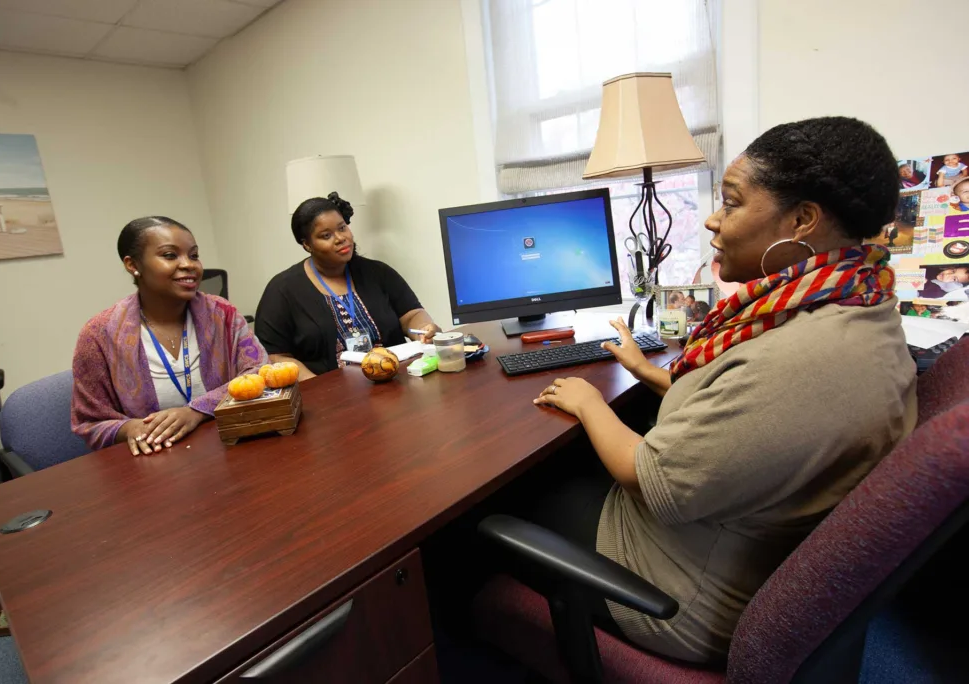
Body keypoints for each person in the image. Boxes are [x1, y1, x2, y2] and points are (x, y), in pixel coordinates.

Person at [530, 117, 917, 664]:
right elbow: (741, 404)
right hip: (744, 542)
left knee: (502, 499)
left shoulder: (800, 360)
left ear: (802, 220)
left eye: (732, 202)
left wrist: (589, 401)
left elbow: (651, 481)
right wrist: (645, 371)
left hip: (683, 592)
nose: (714, 219)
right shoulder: (856, 297)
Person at [72, 217, 267, 455]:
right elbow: (89, 421)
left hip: (231, 446)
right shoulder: (98, 334)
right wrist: (129, 428)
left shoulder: (222, 314)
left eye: (194, 255)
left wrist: (197, 411)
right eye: (170, 255)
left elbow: (259, 371)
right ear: (132, 264)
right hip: (155, 459)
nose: (189, 265)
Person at [255, 193, 441, 380]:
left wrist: (424, 330)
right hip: (329, 393)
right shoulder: (282, 291)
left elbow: (411, 315)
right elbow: (276, 356)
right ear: (307, 245)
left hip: (397, 382)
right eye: (326, 235)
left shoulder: (378, 273)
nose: (340, 238)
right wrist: (318, 388)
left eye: (342, 228)